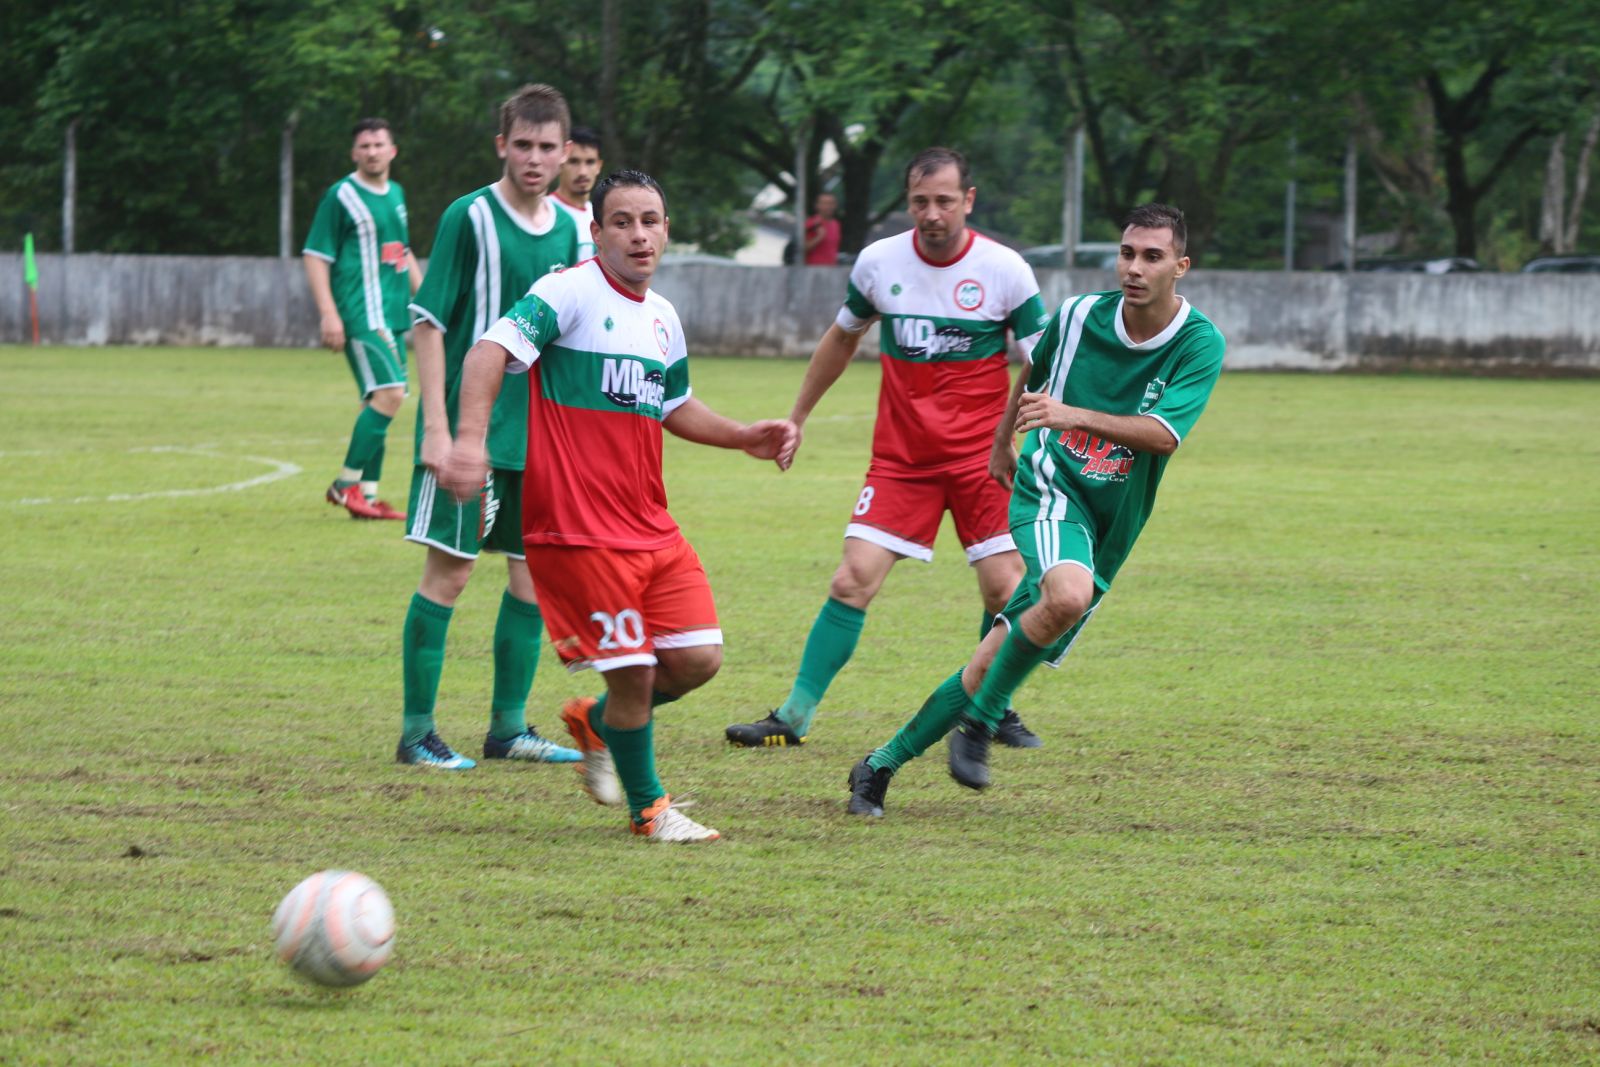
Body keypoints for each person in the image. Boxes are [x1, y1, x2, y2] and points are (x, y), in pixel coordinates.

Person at [439, 170, 798, 841]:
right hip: (579, 529)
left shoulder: (662, 317)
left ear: (667, 229)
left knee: (697, 659)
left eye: (651, 220)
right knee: (633, 673)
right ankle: (651, 809)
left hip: (651, 526)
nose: (639, 234)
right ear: (597, 230)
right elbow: (489, 352)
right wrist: (468, 441)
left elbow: (675, 404)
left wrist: (743, 436)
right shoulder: (566, 292)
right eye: (623, 221)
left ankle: (598, 722)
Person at [846, 203, 1226, 817]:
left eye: (1152, 256)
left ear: (1180, 266)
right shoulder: (1078, 315)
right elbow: (1034, 370)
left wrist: (1073, 414)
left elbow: (1163, 436)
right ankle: (981, 726)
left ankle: (878, 766)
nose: (1134, 267)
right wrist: (1003, 444)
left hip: (1113, 521)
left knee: (990, 659)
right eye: (1127, 252)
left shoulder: (1200, 343)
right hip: (1052, 486)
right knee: (1067, 596)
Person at [726, 147, 1051, 752]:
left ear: (968, 201)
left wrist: (1024, 437)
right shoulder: (879, 263)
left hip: (985, 460)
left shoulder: (1005, 270)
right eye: (920, 202)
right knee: (852, 579)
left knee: (1006, 589)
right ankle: (793, 716)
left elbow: (1045, 362)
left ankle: (991, 705)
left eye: (945, 202)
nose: (932, 214)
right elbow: (840, 339)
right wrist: (797, 417)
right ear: (908, 202)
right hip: (903, 462)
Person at [395, 85, 583, 770]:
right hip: (472, 435)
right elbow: (430, 322)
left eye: (547, 148)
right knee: (449, 575)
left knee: (532, 580)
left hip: (541, 440)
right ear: (502, 145)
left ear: (566, 154)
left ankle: (509, 729)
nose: (535, 159)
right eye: (523, 146)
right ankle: (417, 733)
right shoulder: (468, 217)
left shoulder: (573, 230)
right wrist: (439, 432)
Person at [303, 118, 424, 520]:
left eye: (379, 144)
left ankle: (367, 497)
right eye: (365, 146)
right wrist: (328, 314)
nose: (372, 151)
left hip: (392, 315)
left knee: (377, 401)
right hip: (360, 313)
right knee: (390, 394)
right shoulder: (341, 196)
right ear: (355, 153)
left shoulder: (397, 194)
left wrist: (426, 303)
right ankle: (344, 486)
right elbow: (316, 255)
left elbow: (402, 253)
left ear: (393, 151)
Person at [552, 125, 602, 261]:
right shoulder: (544, 213)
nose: (582, 172)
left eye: (590, 162)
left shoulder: (603, 216)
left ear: (598, 166)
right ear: (560, 162)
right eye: (574, 162)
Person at [803, 192, 841, 266]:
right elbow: (802, 248)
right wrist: (819, 237)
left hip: (831, 269)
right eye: (825, 203)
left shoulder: (836, 224)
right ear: (817, 205)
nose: (828, 206)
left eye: (831, 203)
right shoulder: (811, 223)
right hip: (813, 270)